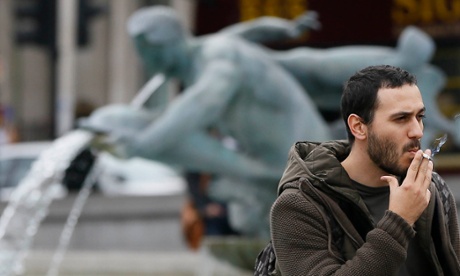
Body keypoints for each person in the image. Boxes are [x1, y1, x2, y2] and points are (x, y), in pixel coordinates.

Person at [82, 5, 332, 237]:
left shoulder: (217, 59)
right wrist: (284, 29)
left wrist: (141, 145)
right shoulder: (211, 49)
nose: (145, 64)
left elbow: (200, 105)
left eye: (147, 55)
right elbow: (250, 30)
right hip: (272, 169)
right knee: (119, 121)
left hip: (303, 169)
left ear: (162, 46)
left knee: (252, 220)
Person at [269, 65, 460, 275]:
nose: (417, 131)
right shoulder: (300, 204)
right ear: (358, 127)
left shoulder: (430, 190)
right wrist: (400, 220)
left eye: (419, 117)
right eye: (401, 119)